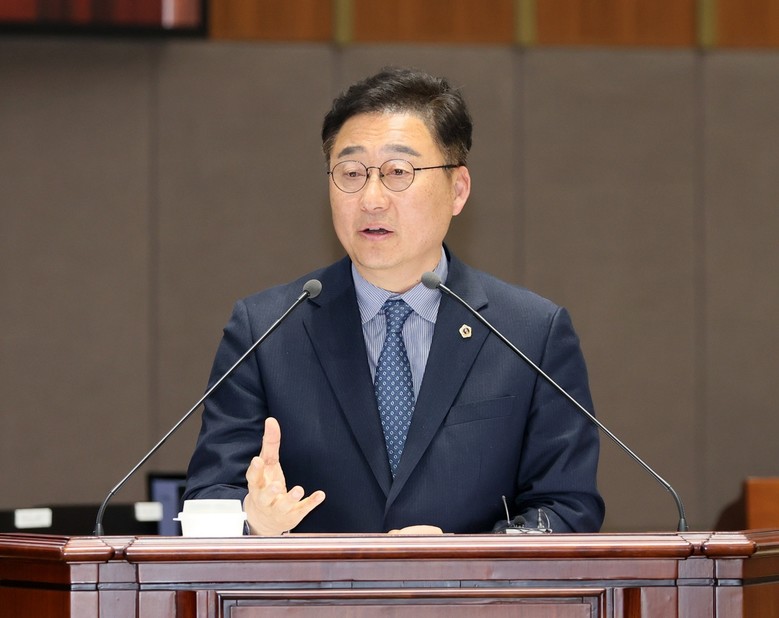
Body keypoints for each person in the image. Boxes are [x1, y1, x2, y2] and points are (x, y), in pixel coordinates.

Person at [183, 67, 605, 535]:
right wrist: (252, 521)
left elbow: (567, 509)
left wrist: (462, 560)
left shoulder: (530, 333)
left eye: (398, 172)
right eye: (351, 173)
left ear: (458, 190)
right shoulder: (266, 330)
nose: (371, 198)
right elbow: (207, 498)